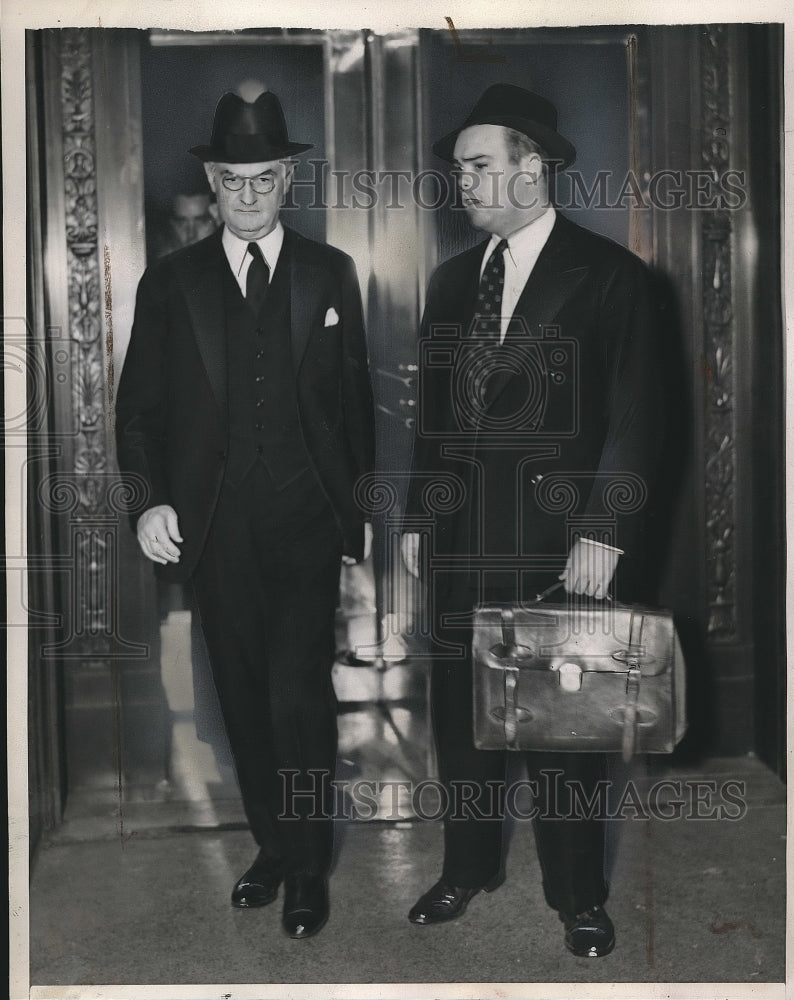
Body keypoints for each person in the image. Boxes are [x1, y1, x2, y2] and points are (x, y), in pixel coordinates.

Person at [401, 84, 666, 957]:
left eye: (478, 166)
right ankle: (467, 867)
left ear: (534, 168)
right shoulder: (450, 281)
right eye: (459, 169)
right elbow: (434, 419)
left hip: (560, 544)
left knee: (562, 728)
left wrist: (605, 528)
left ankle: (578, 895)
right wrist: (415, 512)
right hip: (459, 541)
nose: (463, 183)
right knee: (458, 717)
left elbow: (637, 416)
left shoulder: (612, 276)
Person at [116, 90, 374, 939]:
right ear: (214, 182)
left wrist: (358, 513)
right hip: (215, 524)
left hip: (305, 518)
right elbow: (139, 412)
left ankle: (305, 868)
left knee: (300, 692)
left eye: (266, 177)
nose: (250, 193)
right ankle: (272, 841)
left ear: (287, 179)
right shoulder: (171, 282)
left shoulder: (328, 272)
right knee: (240, 696)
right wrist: (148, 497)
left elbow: (355, 403)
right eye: (234, 178)